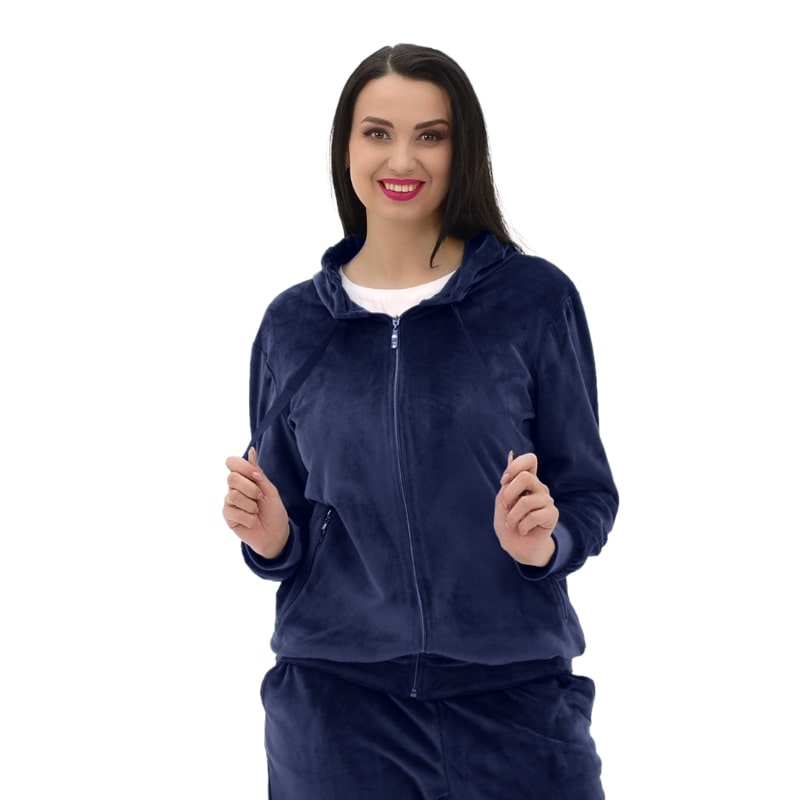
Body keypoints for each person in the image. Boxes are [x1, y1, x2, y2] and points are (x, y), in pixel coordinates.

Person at [222, 42, 618, 800]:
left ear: (462, 150)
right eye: (378, 132)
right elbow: (291, 526)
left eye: (430, 135)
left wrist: (545, 543)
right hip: (335, 716)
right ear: (346, 148)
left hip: (514, 701)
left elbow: (588, 493)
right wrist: (271, 540)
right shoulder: (293, 325)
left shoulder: (532, 301)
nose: (401, 158)